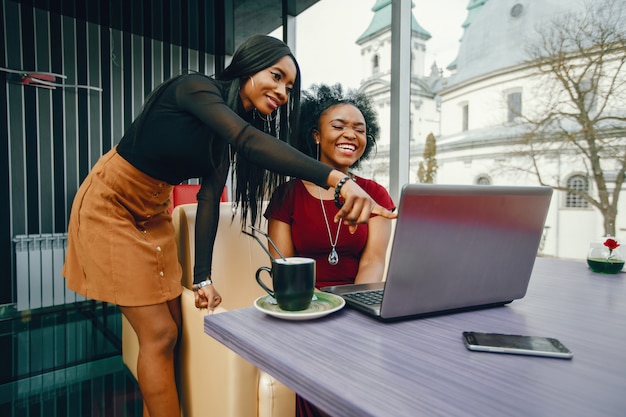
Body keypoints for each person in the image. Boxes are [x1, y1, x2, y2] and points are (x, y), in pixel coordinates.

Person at [62, 36, 396, 417]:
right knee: (161, 334)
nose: (283, 92)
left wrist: (203, 277)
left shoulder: (221, 138)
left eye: (289, 86)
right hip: (111, 205)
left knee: (174, 330)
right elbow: (247, 139)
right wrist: (337, 179)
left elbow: (209, 199)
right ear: (248, 66)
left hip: (154, 213)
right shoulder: (194, 88)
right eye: (276, 76)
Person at [264, 84, 396, 417]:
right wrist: (315, 312)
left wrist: (353, 314)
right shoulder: (288, 195)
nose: (350, 134)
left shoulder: (375, 193)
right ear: (316, 135)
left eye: (360, 129)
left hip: (356, 310)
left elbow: (374, 262)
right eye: (338, 126)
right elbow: (282, 266)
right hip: (302, 313)